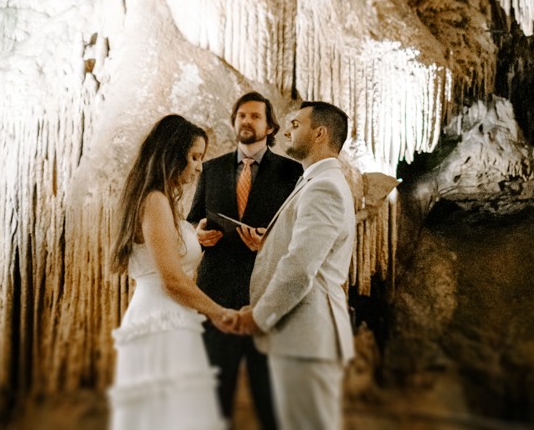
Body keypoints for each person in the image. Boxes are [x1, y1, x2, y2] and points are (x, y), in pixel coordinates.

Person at [108, 113, 237, 430]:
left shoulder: (157, 199)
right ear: (172, 153)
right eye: (194, 157)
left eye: (201, 158)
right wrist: (219, 313)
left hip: (166, 319)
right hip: (162, 321)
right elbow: (172, 280)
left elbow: (164, 253)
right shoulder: (154, 201)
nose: (199, 167)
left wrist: (194, 237)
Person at [236, 101, 356, 430]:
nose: (287, 130)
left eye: (296, 124)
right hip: (302, 336)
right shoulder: (315, 182)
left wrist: (259, 317)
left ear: (320, 133)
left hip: (307, 334)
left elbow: (301, 268)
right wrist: (269, 243)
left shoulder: (324, 188)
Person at [187, 92, 301, 428]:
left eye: (254, 116)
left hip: (266, 294)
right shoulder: (211, 168)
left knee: (271, 394)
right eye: (240, 116)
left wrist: (270, 244)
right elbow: (195, 218)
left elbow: (298, 232)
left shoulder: (291, 171)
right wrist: (199, 233)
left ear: (270, 127)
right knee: (215, 393)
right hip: (215, 293)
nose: (246, 122)